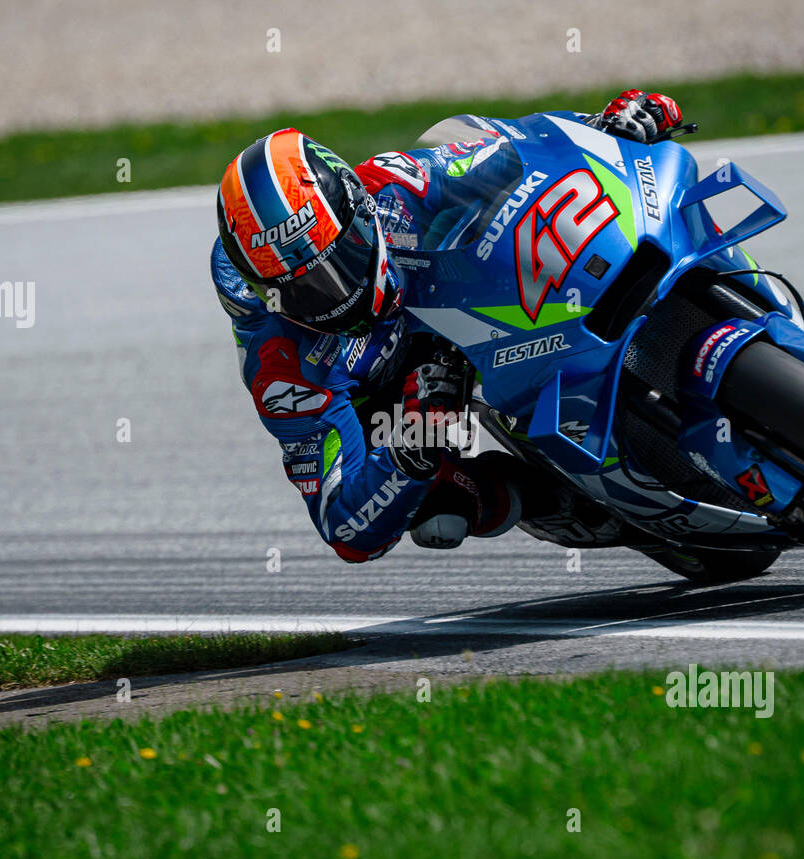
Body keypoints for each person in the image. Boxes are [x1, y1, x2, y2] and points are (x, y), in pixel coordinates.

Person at [211, 90, 685, 562]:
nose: (336, 293)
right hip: (399, 407)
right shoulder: (285, 370)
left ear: (356, 209)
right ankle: (554, 503)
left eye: (340, 259)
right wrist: (408, 450)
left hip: (460, 307)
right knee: (442, 515)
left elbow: (521, 145)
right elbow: (344, 527)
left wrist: (605, 124)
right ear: (264, 291)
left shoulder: (394, 185)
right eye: (306, 289)